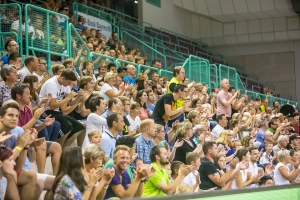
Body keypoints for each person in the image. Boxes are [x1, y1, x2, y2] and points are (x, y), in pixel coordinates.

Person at [39, 68, 86, 148]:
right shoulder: (52, 84)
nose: (69, 85)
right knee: (67, 125)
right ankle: (58, 148)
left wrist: (78, 98)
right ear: (63, 78)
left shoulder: (66, 84)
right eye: (68, 83)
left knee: (79, 126)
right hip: (45, 110)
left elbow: (70, 102)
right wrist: (67, 98)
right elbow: (52, 106)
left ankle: (64, 150)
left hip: (56, 112)